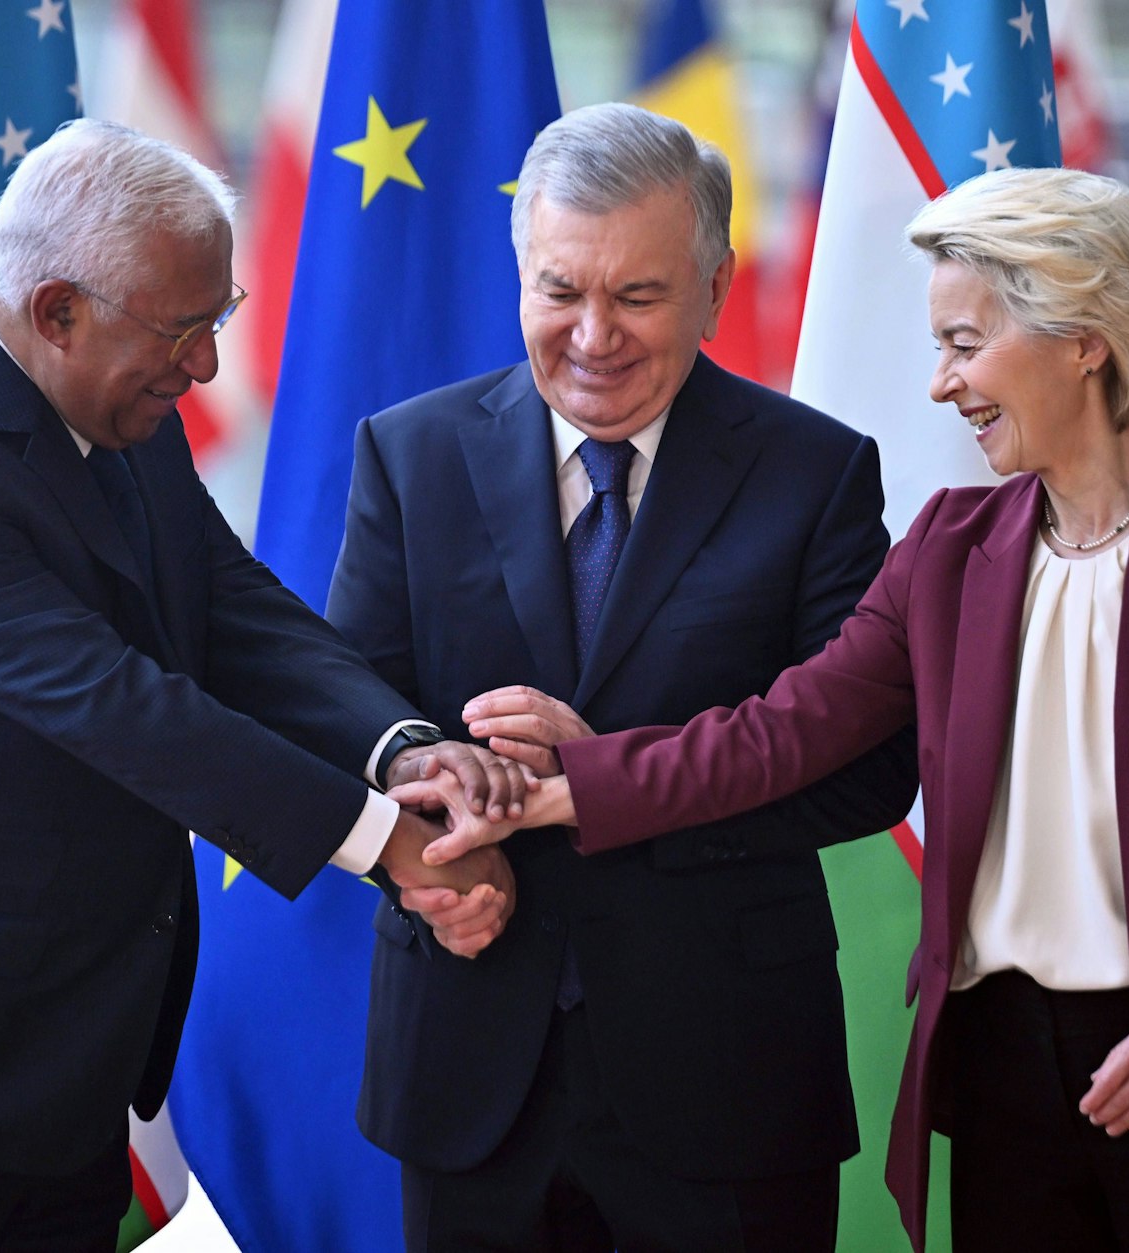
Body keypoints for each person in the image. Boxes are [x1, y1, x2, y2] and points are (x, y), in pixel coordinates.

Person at [415, 166, 1129, 1253]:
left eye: (963, 342)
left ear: (1084, 335)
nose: (941, 385)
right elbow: (781, 731)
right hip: (997, 1080)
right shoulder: (946, 548)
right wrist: (570, 789)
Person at [0, 119, 523, 1252]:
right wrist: (386, 838)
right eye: (184, 328)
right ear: (56, 311)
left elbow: (231, 613)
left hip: (59, 1062)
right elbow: (116, 703)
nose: (203, 366)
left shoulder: (121, 415)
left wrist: (397, 745)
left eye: (219, 318)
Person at [327, 102, 918, 1252]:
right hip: (467, 1063)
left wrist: (608, 774)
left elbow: (872, 771)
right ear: (519, 276)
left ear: (711, 286)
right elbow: (344, 707)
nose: (592, 334)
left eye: (637, 296)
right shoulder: (410, 453)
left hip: (726, 1075)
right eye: (559, 290)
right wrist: (428, 824)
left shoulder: (815, 472)